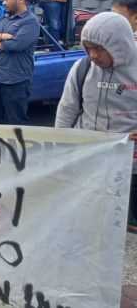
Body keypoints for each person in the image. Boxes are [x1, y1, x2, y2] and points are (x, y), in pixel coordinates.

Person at [55, 12, 137, 231]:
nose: (92, 54)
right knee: (89, 219)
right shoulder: (82, 69)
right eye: (87, 47)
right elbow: (67, 111)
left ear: (118, 44)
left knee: (124, 226)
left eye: (99, 48)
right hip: (89, 158)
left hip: (130, 165)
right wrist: (59, 148)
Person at [0, 0, 40, 125]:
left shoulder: (30, 22)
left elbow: (14, 45)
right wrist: (3, 36)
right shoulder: (4, 17)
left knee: (15, 123)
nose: (3, 3)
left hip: (15, 81)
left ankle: (16, 148)